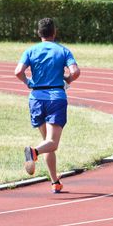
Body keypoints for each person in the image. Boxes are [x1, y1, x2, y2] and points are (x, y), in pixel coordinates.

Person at [14, 18, 80, 193]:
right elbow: (75, 72)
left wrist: (28, 83)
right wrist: (68, 79)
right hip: (55, 98)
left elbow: (18, 72)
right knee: (52, 143)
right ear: (54, 32)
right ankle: (33, 152)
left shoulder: (30, 50)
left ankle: (55, 181)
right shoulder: (63, 50)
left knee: (47, 143)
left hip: (36, 98)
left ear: (39, 33)